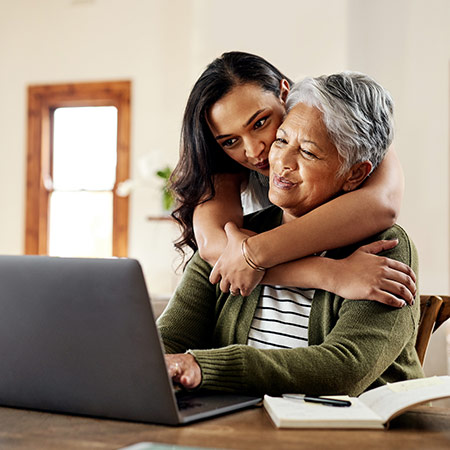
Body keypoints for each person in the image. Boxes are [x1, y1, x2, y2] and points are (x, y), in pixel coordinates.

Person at [158, 72, 424, 397]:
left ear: (355, 174)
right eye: (281, 141)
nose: (279, 162)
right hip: (245, 430)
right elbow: (166, 340)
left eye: (309, 153)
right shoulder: (237, 239)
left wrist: (204, 367)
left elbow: (344, 370)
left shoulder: (387, 247)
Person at [170, 52, 413, 307]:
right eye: (231, 141)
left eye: (260, 123)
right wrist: (329, 274)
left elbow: (381, 204)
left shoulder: (345, 123)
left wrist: (254, 254)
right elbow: (215, 247)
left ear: (283, 93)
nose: (254, 151)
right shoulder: (224, 165)